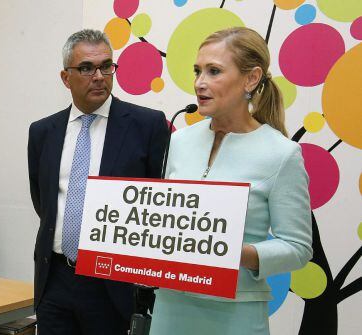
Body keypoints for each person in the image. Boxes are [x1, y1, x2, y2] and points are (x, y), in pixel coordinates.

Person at [150, 27, 313, 334]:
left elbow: (298, 247)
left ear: (251, 78)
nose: (200, 83)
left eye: (214, 71)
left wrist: (234, 253)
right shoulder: (179, 141)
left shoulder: (282, 154)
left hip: (234, 315)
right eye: (198, 71)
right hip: (170, 308)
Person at [28, 29, 169, 334]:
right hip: (55, 279)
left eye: (107, 66)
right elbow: (44, 200)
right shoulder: (42, 132)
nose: (99, 76)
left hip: (114, 285)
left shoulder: (147, 125)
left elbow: (158, 205)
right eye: (87, 68)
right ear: (66, 78)